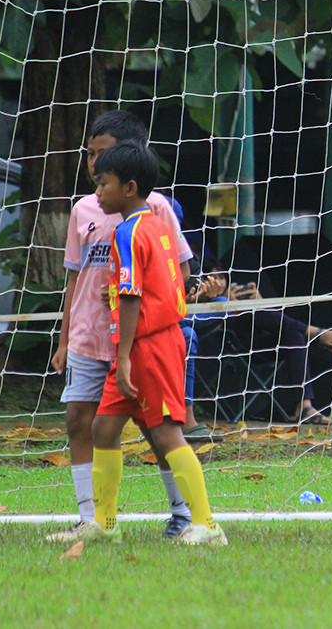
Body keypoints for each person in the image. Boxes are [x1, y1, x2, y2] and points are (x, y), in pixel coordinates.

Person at [61, 141, 226, 545]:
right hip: (143, 344)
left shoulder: (128, 232)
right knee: (103, 427)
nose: (98, 192)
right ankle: (104, 524)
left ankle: (206, 524)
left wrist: (123, 357)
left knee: (166, 434)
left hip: (148, 347)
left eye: (104, 183)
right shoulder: (157, 225)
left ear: (129, 188)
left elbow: (132, 295)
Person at [183, 260, 332, 425]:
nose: (219, 282)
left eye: (221, 277)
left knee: (293, 335)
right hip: (224, 350)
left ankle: (304, 406)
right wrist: (226, 306)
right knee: (254, 314)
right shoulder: (196, 300)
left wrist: (259, 302)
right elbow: (208, 331)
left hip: (253, 347)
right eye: (212, 277)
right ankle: (314, 332)